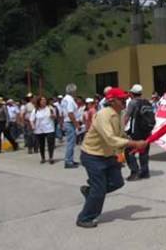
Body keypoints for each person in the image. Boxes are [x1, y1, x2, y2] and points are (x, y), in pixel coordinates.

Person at [76, 87, 148, 228]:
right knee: (99, 189)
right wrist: (134, 143)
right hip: (93, 155)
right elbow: (110, 138)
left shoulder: (119, 113)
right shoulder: (104, 115)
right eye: (122, 99)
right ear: (112, 100)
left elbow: (120, 135)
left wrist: (132, 143)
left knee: (117, 182)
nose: (125, 101)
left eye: (125, 98)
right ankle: (84, 218)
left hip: (108, 155)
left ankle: (90, 192)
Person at [124, 84, 155, 180]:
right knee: (144, 152)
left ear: (132, 94)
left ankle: (135, 172)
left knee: (129, 151)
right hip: (146, 132)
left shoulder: (133, 103)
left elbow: (127, 116)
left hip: (136, 132)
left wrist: (121, 128)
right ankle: (145, 172)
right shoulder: (147, 102)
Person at [30, 96, 57, 164]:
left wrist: (53, 116)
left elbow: (55, 116)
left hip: (49, 129)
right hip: (39, 130)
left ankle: (51, 157)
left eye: (45, 100)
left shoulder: (50, 108)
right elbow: (31, 120)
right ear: (39, 102)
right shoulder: (35, 110)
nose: (44, 101)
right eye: (42, 100)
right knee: (41, 144)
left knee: (50, 144)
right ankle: (43, 158)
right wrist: (33, 126)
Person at [61, 84, 81, 169]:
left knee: (71, 142)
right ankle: (68, 161)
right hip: (70, 123)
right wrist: (76, 124)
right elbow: (70, 113)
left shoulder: (65, 99)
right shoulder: (70, 100)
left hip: (67, 122)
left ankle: (70, 159)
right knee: (71, 143)